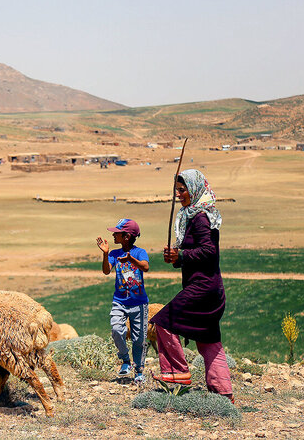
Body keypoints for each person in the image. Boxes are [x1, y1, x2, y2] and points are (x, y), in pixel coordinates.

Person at [151, 169, 234, 403]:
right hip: (210, 288)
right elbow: (193, 255)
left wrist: (182, 256)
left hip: (203, 288)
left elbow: (209, 252)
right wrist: (177, 258)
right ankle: (223, 394)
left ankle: (177, 374)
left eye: (183, 189)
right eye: (177, 190)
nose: (179, 194)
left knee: (163, 322)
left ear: (195, 189)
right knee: (209, 341)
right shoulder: (194, 215)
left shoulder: (200, 218)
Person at [96, 219, 150, 383]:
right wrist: (105, 254)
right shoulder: (114, 254)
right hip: (119, 302)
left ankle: (139, 371)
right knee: (117, 330)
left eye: (117, 233)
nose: (113, 234)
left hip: (139, 303)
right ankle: (125, 360)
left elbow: (145, 267)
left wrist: (131, 260)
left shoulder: (140, 253)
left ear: (126, 236)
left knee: (139, 339)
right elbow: (106, 271)